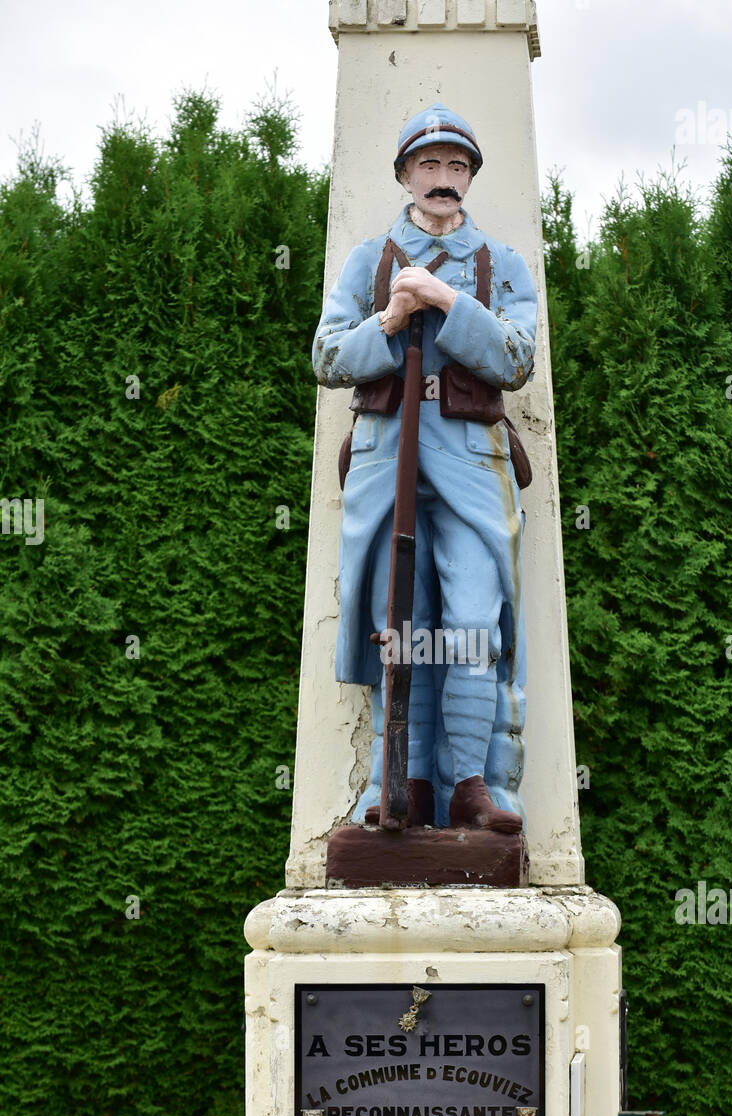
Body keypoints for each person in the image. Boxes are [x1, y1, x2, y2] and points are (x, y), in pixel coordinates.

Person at [312, 103, 537, 833]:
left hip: (472, 459)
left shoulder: (498, 262)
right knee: (393, 623)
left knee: (475, 618)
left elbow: (515, 357)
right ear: (406, 174)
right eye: (430, 165)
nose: (443, 180)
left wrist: (442, 298)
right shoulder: (367, 260)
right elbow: (326, 358)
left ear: (468, 177)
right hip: (386, 459)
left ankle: (474, 788)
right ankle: (393, 786)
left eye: (456, 167)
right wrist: (389, 319)